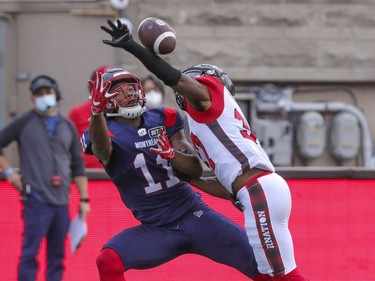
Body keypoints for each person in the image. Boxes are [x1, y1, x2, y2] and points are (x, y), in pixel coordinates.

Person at [100, 19, 310, 280]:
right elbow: (222, 185)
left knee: (283, 276)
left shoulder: (209, 96)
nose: (188, 84)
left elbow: (171, 77)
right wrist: (181, 171)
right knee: (271, 276)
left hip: (259, 188)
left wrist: (132, 46)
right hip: (252, 189)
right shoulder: (202, 121)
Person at [81, 67, 267, 281]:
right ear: (104, 97)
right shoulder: (102, 132)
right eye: (120, 89)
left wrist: (172, 155)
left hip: (195, 216)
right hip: (158, 229)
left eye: (132, 87)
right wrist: (96, 114)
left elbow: (195, 169)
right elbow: (103, 150)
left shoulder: (163, 117)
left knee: (262, 265)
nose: (130, 92)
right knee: (108, 260)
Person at [0, 75, 90, 281]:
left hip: (61, 202)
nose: (43, 97)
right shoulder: (23, 122)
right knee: (30, 254)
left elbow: (78, 165)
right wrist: (9, 173)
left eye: (47, 93)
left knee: (57, 257)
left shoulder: (67, 126)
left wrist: (84, 199)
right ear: (32, 99)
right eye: (38, 94)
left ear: (55, 94)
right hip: (36, 200)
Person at [68, 66, 111, 168]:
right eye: (105, 84)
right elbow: (69, 146)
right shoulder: (77, 112)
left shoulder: (123, 113)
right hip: (89, 175)